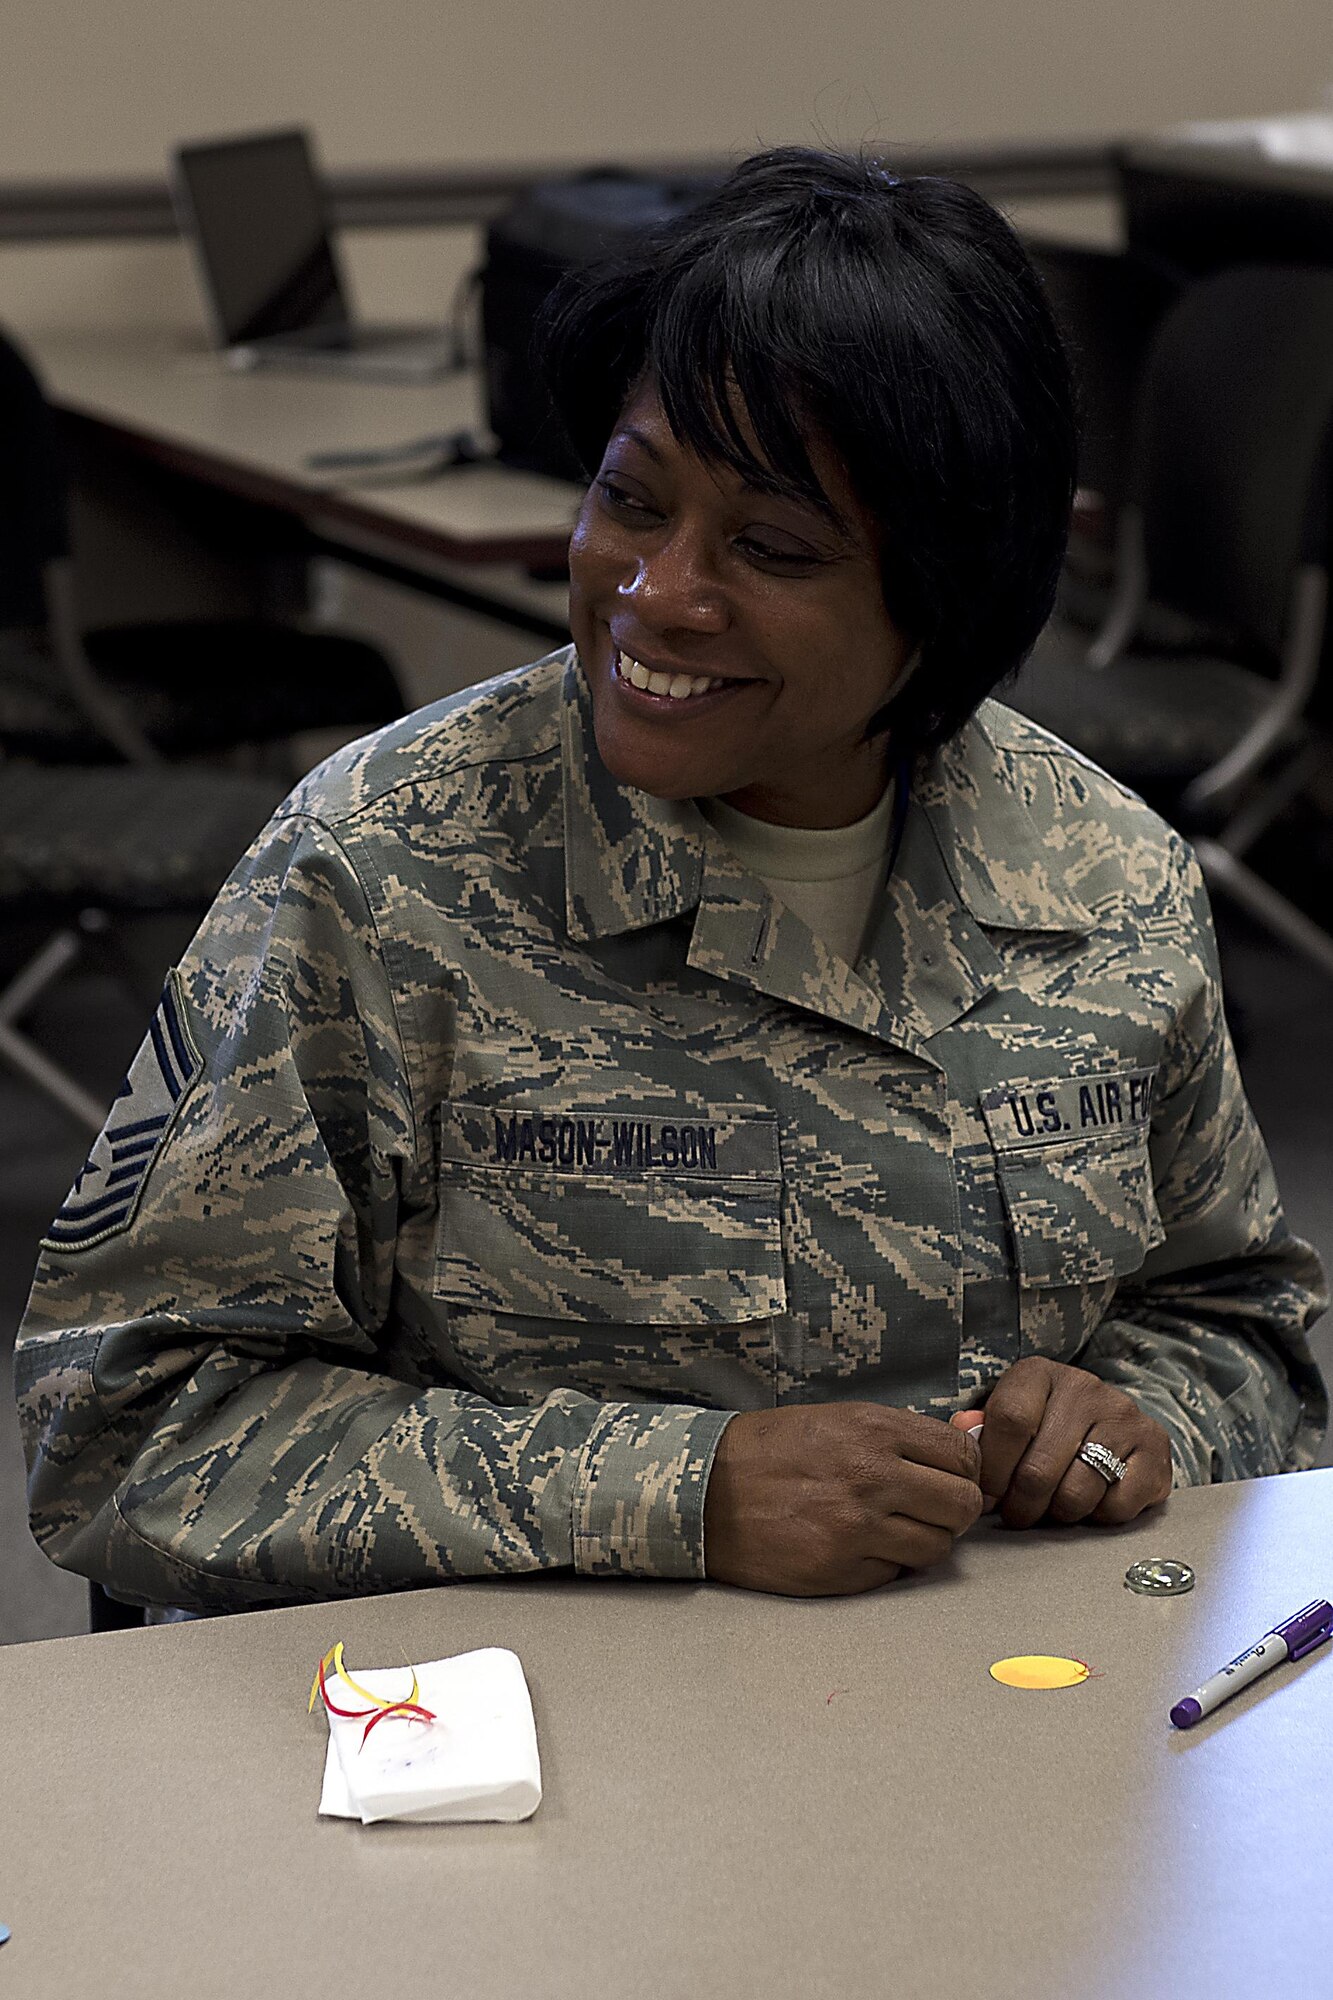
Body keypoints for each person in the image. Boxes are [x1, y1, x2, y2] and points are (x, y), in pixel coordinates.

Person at [16, 149, 1326, 1612]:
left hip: (1005, 1724)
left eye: (767, 547)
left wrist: (1143, 1428)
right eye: (631, 503)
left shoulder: (1103, 881)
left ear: (943, 604)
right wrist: (674, 1490)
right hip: (522, 1755)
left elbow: (1237, 1326)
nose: (657, 594)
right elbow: (123, 1427)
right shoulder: (383, 872)